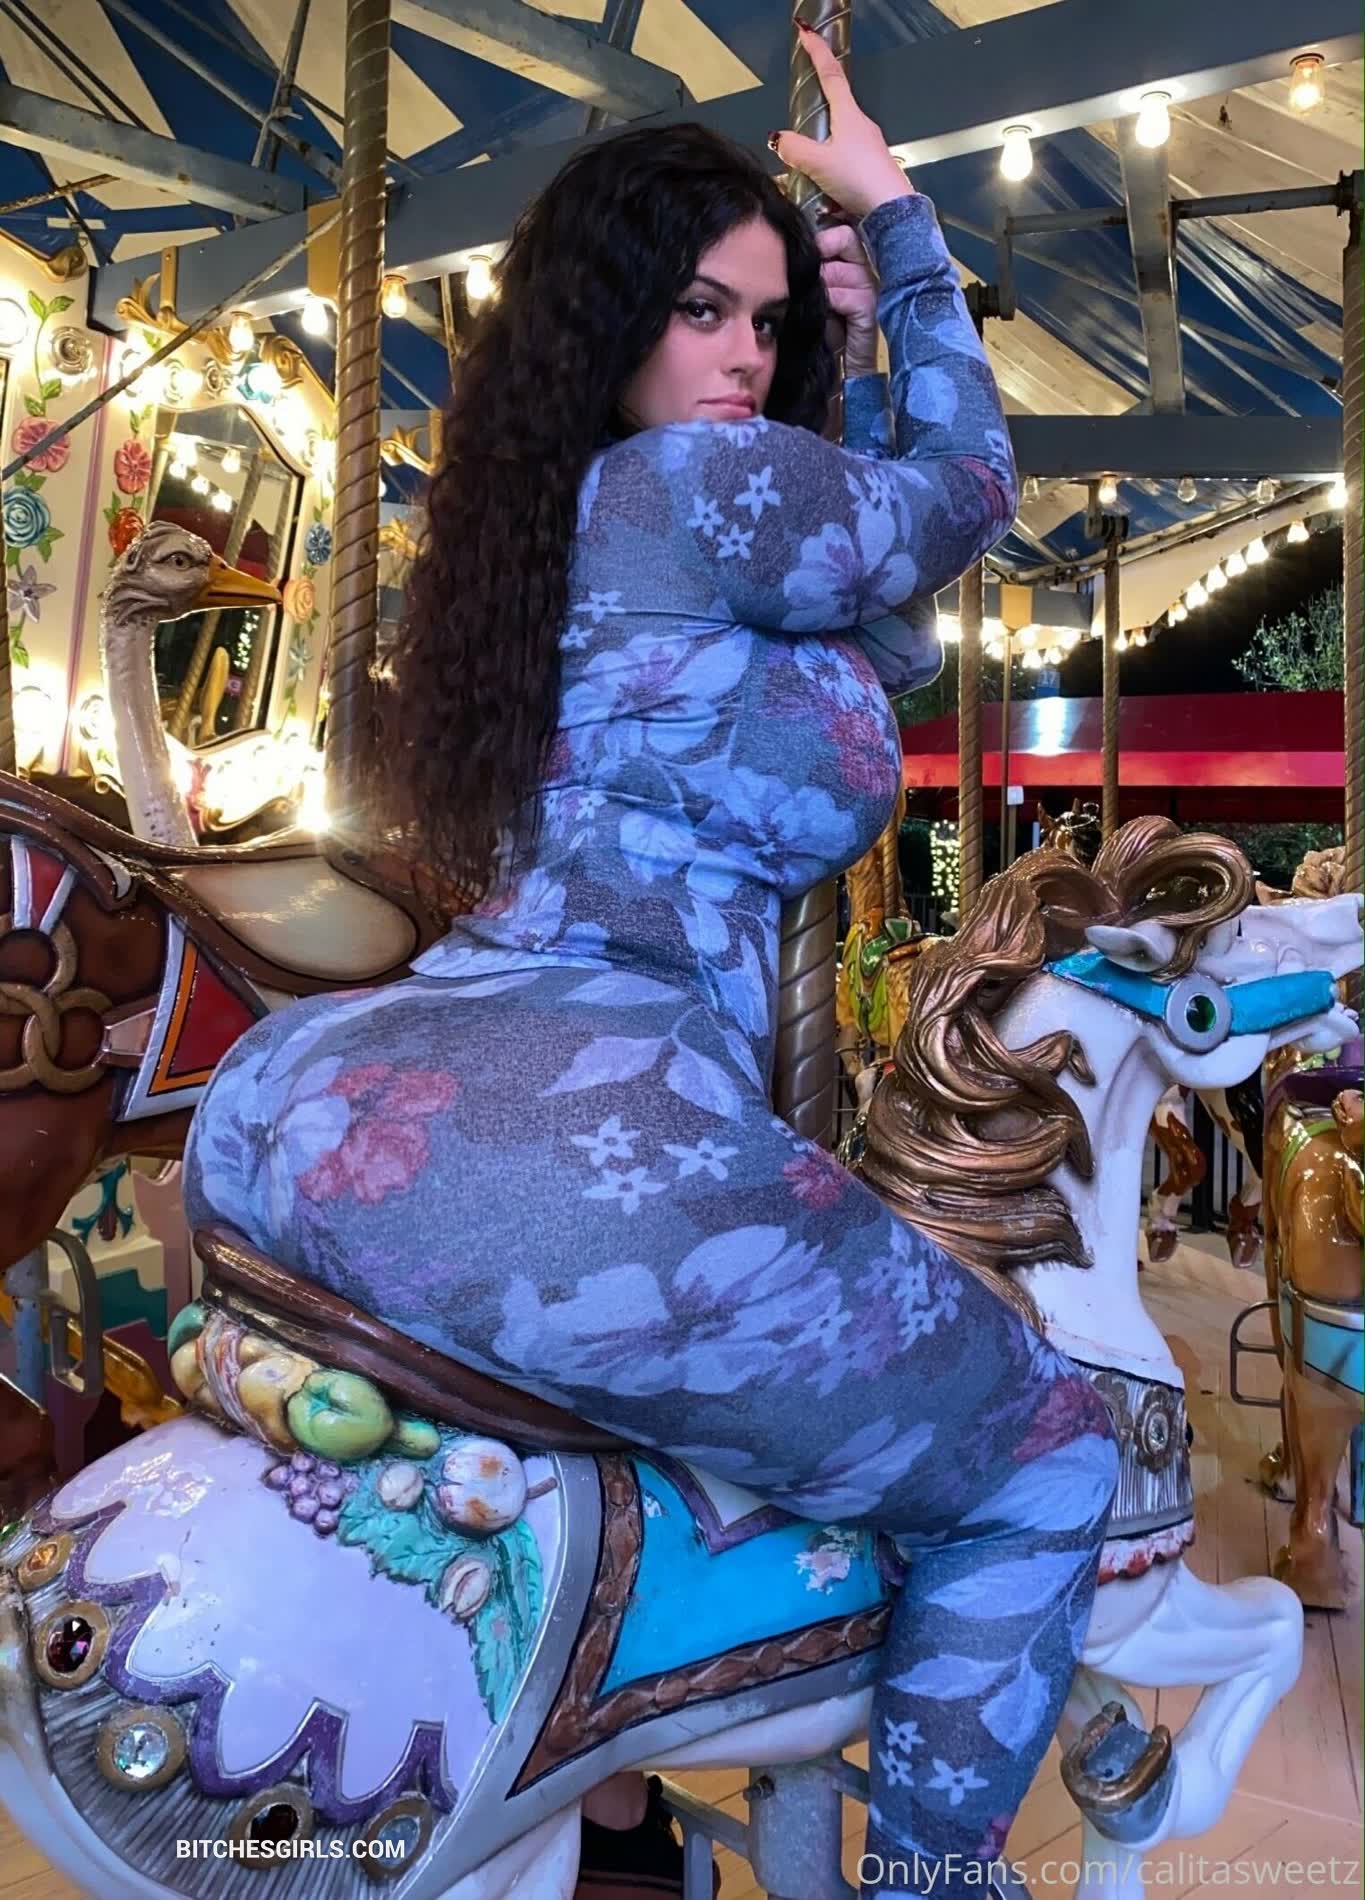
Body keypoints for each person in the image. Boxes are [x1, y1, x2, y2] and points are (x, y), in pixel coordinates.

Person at [185, 30, 1117, 1897]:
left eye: (765, 323)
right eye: (699, 310)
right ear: (607, 319)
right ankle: (934, 1879)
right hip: (579, 1131)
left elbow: (890, 620)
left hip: (310, 1108)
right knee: (1044, 1458)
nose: (743, 355)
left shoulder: (568, 531)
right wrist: (901, 232)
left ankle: (613, 1800)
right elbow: (964, 494)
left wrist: (848, 359)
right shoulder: (696, 488)